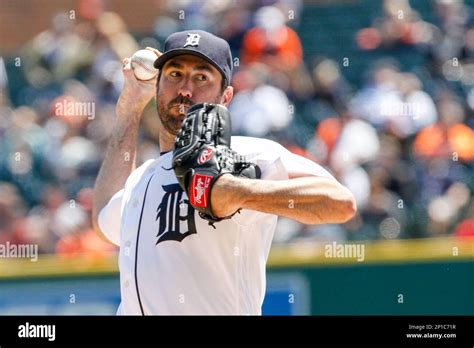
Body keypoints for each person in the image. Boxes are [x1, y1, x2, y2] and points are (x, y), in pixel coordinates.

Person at [92, 30, 357, 315]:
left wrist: (236, 191)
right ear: (157, 85)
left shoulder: (243, 153)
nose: (185, 89)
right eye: (174, 74)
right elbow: (104, 217)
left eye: (201, 78)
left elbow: (339, 202)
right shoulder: (142, 177)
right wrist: (129, 109)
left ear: (226, 96)